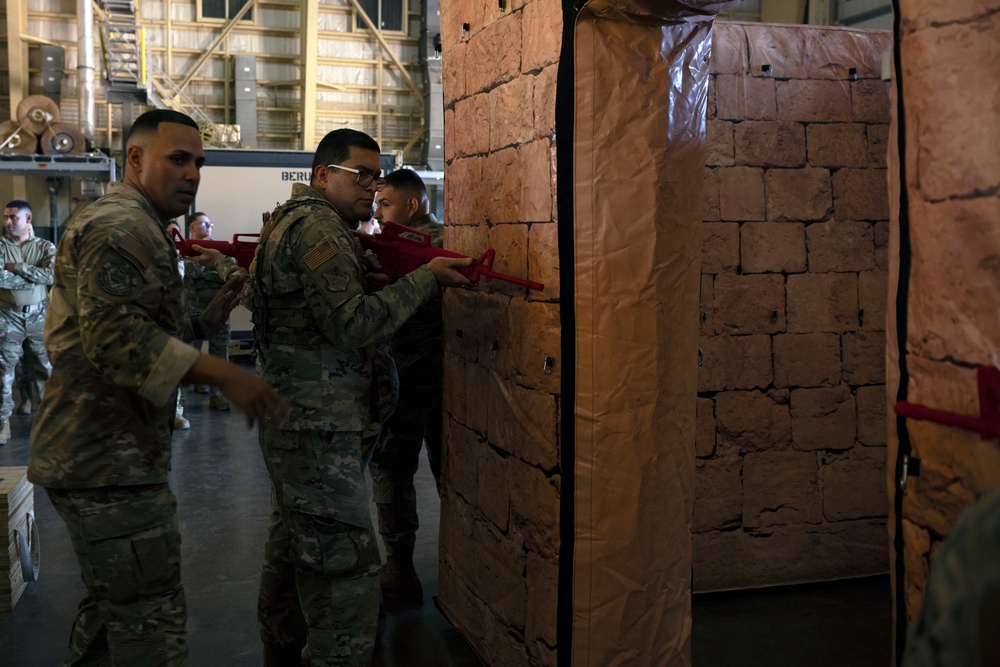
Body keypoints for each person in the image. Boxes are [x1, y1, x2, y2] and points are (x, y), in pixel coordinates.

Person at [196, 128, 471, 665]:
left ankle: (281, 647)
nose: (370, 188)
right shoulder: (321, 230)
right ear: (323, 176)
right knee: (343, 567)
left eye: (376, 177)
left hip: (296, 420)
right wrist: (425, 280)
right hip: (319, 426)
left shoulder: (286, 221)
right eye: (360, 176)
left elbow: (268, 295)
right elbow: (351, 325)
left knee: (291, 545)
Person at [27, 109, 288, 664]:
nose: (192, 174)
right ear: (136, 159)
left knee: (110, 612)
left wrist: (200, 326)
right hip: (105, 463)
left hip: (106, 455)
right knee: (150, 627)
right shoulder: (121, 228)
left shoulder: (139, 224)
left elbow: (116, 328)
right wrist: (222, 370)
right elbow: (116, 343)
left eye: (199, 162)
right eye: (178, 159)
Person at [369, 168, 445, 603]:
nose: (377, 212)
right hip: (437, 380)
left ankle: (399, 570)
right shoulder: (443, 239)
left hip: (408, 379)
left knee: (391, 471)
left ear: (412, 205)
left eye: (385, 203)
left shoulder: (420, 247)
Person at [0, 199, 54, 444]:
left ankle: (50, 424)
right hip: (7, 315)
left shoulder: (45, 247)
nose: (8, 222)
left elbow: (52, 274)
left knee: (46, 370)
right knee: (3, 373)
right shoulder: (1, 246)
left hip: (39, 316)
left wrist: (16, 267)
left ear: (28, 219)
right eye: (6, 217)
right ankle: (3, 424)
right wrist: (34, 277)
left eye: (13, 217)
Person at [183, 211, 232, 411]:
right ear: (192, 227)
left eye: (210, 223)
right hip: (193, 312)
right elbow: (184, 273)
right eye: (203, 224)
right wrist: (203, 262)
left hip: (219, 311)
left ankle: (218, 395)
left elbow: (231, 273)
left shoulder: (221, 251)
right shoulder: (184, 250)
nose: (208, 226)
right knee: (187, 356)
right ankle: (180, 399)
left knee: (219, 355)